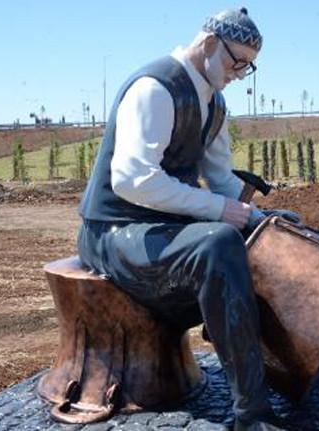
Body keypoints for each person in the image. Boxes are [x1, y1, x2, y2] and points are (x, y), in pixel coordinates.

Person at [77, 7, 295, 430]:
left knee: (273, 234)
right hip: (114, 230)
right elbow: (133, 180)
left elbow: (221, 181)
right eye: (237, 62)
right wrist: (220, 212)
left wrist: (264, 219)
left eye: (248, 67)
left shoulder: (215, 105)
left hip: (159, 228)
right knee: (218, 244)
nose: (239, 73)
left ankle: (301, 361)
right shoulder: (154, 88)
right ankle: (252, 413)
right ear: (210, 44)